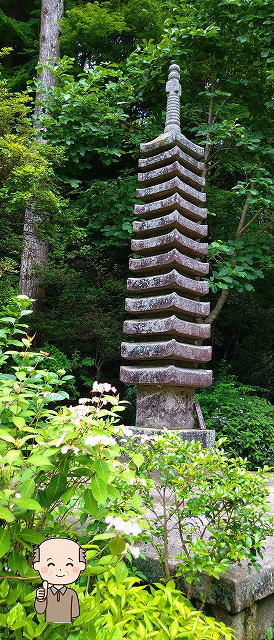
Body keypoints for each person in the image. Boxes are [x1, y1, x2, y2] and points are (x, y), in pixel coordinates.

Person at [32, 537, 86, 623]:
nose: (60, 569)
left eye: (69, 564)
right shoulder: (47, 593)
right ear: (38, 565)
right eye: (50, 564)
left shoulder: (71, 594)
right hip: (49, 629)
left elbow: (75, 614)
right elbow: (40, 610)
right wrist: (40, 599)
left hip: (65, 627)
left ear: (80, 566)